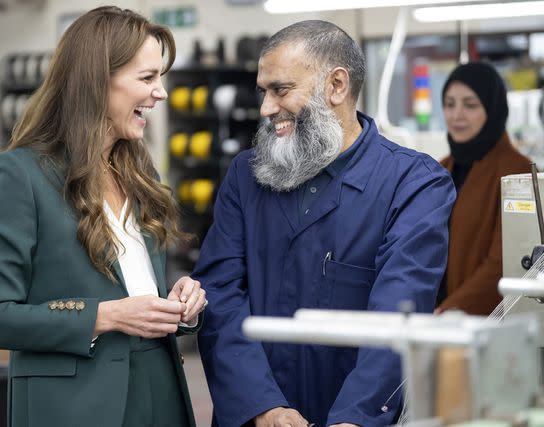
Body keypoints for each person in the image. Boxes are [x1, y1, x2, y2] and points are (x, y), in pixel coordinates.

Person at [193, 20, 456, 427]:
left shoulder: (415, 185)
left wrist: (353, 417)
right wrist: (262, 406)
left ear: (336, 86)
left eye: (280, 90)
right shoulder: (246, 175)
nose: (265, 108)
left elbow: (400, 311)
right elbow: (219, 294)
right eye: (263, 92)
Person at [0, 7, 206, 427]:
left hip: (160, 385)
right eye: (147, 78)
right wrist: (107, 315)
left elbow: (135, 286)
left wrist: (176, 303)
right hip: (72, 405)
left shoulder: (139, 171)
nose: (161, 92)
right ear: (98, 82)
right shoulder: (20, 175)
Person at [435, 62, 531, 315]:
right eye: (449, 104)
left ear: (493, 108)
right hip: (432, 319)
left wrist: (448, 312)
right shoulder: (438, 170)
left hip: (482, 324)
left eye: (470, 105)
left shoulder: (519, 173)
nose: (457, 115)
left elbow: (504, 264)